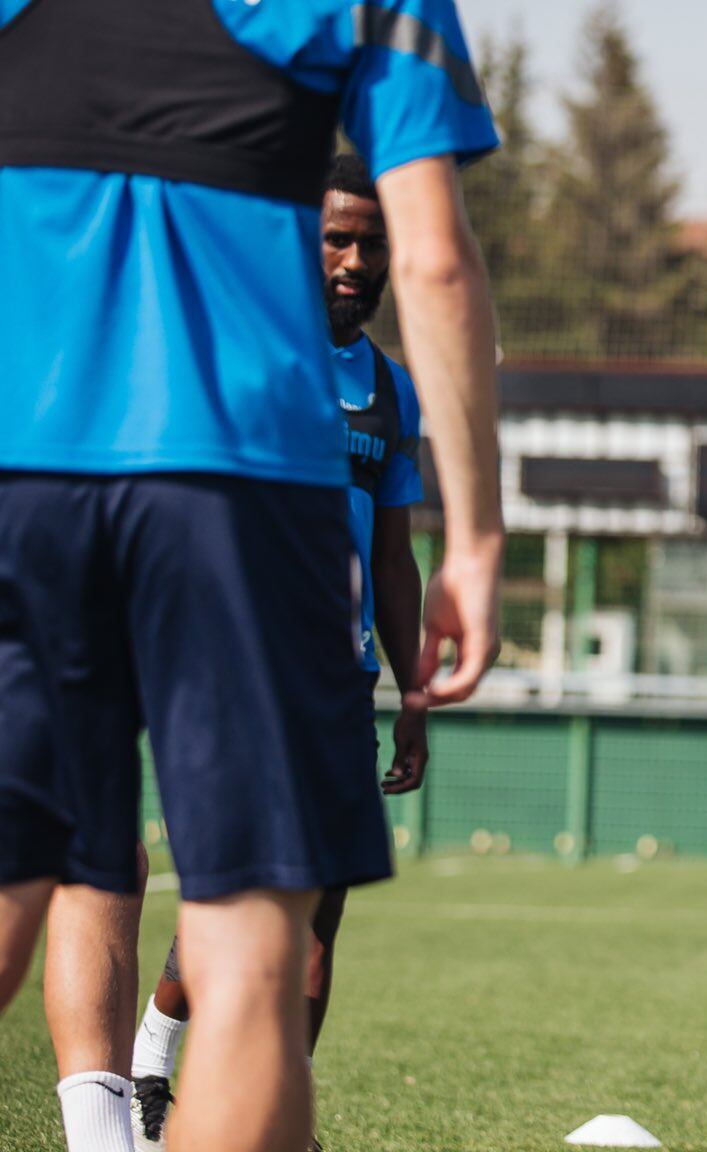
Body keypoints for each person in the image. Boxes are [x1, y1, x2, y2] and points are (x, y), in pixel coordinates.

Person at [0, 4, 505, 1152]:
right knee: (254, 955)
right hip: (239, 483)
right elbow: (432, 254)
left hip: (20, 466)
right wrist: (475, 534)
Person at [127, 155, 434, 1152]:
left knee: (315, 918)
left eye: (369, 243)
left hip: (339, 687)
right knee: (240, 897)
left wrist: (414, 694)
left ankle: (272, 1119)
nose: (352, 260)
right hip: (229, 668)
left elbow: (394, 559)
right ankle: (153, 1064)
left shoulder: (391, 392)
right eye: (333, 239)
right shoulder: (238, 355)